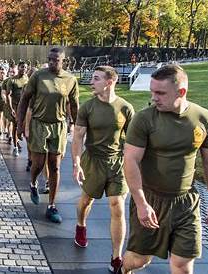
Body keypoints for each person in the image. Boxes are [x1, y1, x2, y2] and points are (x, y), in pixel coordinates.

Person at [122, 64, 208, 274]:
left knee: (182, 266)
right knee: (139, 260)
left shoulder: (204, 118)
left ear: (181, 92)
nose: (154, 97)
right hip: (151, 199)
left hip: (186, 203)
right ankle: (123, 269)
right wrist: (141, 203)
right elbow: (130, 160)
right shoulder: (144, 119)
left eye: (160, 93)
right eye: (152, 91)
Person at [71, 66, 134, 273]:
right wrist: (76, 163)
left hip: (117, 163)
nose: (91, 82)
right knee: (86, 200)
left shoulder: (125, 108)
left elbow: (134, 141)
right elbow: (78, 137)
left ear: (109, 82)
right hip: (93, 161)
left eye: (96, 79)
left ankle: (116, 257)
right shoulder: (87, 108)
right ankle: (81, 225)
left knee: (117, 205)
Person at [17, 48, 79, 223]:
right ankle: (33, 183)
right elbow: (24, 100)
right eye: (50, 60)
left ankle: (52, 205)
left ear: (63, 61)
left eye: (56, 60)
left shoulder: (70, 79)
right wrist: (21, 124)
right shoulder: (38, 76)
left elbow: (74, 105)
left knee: (55, 166)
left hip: (58, 125)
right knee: (38, 163)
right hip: (39, 124)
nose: (53, 63)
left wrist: (77, 126)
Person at [7, 61, 29, 156]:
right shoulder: (12, 80)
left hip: (26, 107)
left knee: (27, 127)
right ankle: (15, 146)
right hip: (16, 106)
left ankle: (29, 151)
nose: (24, 69)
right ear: (18, 68)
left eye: (25, 67)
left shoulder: (28, 79)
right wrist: (11, 108)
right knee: (15, 125)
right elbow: (8, 95)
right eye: (22, 67)